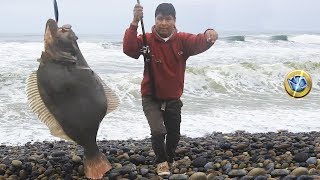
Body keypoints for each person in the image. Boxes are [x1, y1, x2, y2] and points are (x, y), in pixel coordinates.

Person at [123, 2, 218, 176]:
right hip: (150, 96)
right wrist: (135, 22)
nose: (164, 23)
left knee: (174, 135)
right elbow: (129, 49)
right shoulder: (146, 39)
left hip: (173, 97)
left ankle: (170, 158)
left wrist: (209, 33)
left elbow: (199, 41)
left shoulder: (182, 40)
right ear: (155, 20)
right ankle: (161, 162)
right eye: (160, 19)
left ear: (174, 21)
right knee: (158, 131)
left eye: (168, 19)